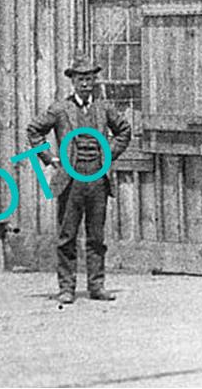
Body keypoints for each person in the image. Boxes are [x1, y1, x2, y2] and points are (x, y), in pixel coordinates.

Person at [26, 54, 132, 304]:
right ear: (72, 81)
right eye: (80, 79)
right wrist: (50, 158)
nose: (85, 83)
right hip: (70, 181)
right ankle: (66, 288)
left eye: (89, 79)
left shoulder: (104, 108)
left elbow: (124, 131)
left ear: (94, 81)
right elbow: (34, 129)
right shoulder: (61, 109)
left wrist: (109, 154)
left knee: (96, 236)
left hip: (98, 179)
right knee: (67, 236)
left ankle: (97, 286)